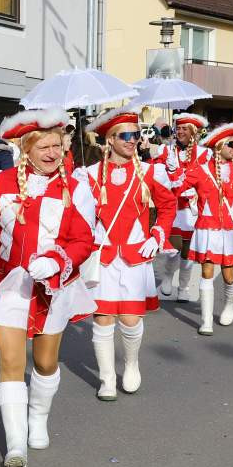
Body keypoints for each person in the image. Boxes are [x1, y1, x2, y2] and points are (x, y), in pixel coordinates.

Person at [0, 109, 96, 467]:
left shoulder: (75, 189)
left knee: (45, 363)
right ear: (25, 149)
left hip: (55, 285)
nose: (52, 153)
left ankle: (38, 419)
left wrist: (56, 261)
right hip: (10, 285)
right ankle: (16, 445)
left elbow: (84, 239)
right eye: (44, 146)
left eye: (58, 146)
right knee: (12, 363)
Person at [79, 106, 177, 401]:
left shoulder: (149, 171)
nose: (133, 140)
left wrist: (158, 234)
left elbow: (168, 206)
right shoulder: (90, 174)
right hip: (104, 257)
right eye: (126, 135)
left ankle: (131, 364)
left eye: (136, 134)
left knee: (131, 320)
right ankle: (107, 378)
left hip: (136, 257)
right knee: (103, 318)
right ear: (109, 139)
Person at [180, 124, 233, 335]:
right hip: (207, 227)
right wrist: (175, 173)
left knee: (228, 276)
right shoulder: (200, 170)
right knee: (207, 271)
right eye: (231, 144)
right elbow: (178, 188)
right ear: (218, 147)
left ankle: (229, 305)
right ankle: (206, 320)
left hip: (228, 228)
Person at [152, 113, 210, 302]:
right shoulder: (166, 151)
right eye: (179, 128)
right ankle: (168, 276)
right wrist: (165, 169)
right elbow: (155, 176)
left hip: (192, 210)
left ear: (193, 132)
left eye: (185, 128)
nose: (180, 131)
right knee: (174, 248)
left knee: (187, 252)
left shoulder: (203, 154)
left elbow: (206, 179)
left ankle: (183, 287)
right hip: (173, 207)